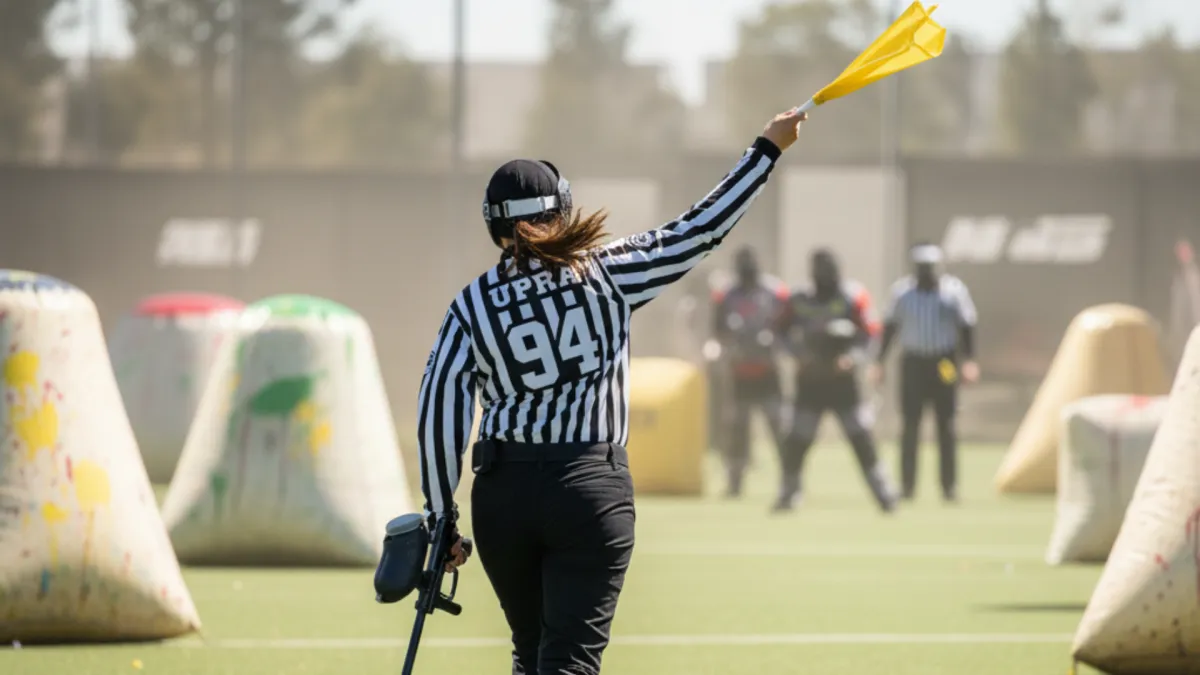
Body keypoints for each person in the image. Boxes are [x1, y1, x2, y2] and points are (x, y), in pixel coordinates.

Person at [416, 107, 807, 675]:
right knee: (569, 661)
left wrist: (439, 517)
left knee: (532, 657)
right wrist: (766, 149)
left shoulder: (470, 305)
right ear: (562, 210)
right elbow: (701, 229)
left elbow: (439, 414)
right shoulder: (606, 272)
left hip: (502, 495)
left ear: (494, 225)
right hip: (588, 488)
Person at [774, 248, 898, 513]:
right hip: (809, 382)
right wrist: (798, 355)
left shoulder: (853, 296)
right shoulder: (798, 298)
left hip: (844, 384)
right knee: (797, 441)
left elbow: (871, 333)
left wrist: (852, 357)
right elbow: (779, 331)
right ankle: (788, 494)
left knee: (861, 439)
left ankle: (884, 494)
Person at [869, 242, 978, 504]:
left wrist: (970, 361)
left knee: (947, 424)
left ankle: (948, 487)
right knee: (910, 424)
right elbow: (890, 327)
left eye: (930, 267)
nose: (926, 273)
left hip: (944, 363)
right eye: (922, 268)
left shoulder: (954, 291)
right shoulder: (902, 292)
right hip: (914, 362)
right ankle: (907, 486)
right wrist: (879, 362)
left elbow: (966, 326)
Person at [705, 246, 789, 497]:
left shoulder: (775, 291)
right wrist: (732, 343)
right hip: (739, 372)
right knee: (737, 430)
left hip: (768, 371)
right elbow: (717, 329)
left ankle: (790, 481)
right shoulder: (726, 295)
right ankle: (734, 483)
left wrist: (773, 342)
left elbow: (787, 325)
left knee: (779, 427)